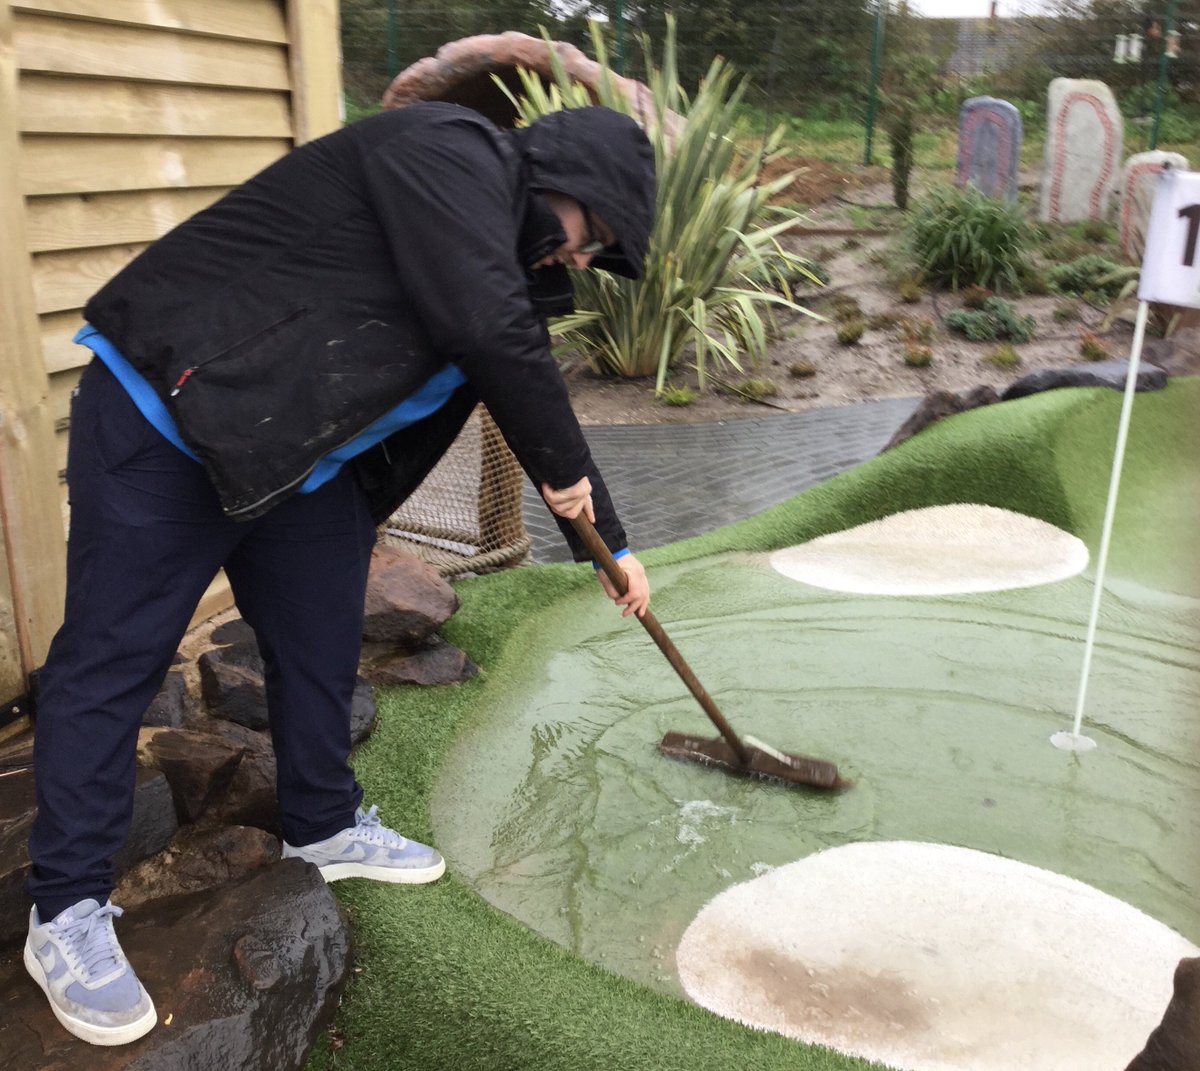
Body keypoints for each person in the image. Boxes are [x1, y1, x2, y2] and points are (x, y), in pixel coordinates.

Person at [23, 101, 655, 1047]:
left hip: (294, 461)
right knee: (114, 660)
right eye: (588, 232)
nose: (580, 256)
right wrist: (568, 474)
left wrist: (611, 539)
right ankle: (63, 912)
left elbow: (516, 368)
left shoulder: (501, 269)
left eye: (600, 249)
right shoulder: (447, 151)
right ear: (556, 175)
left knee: (320, 641)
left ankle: (323, 822)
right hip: (172, 417)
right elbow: (486, 327)